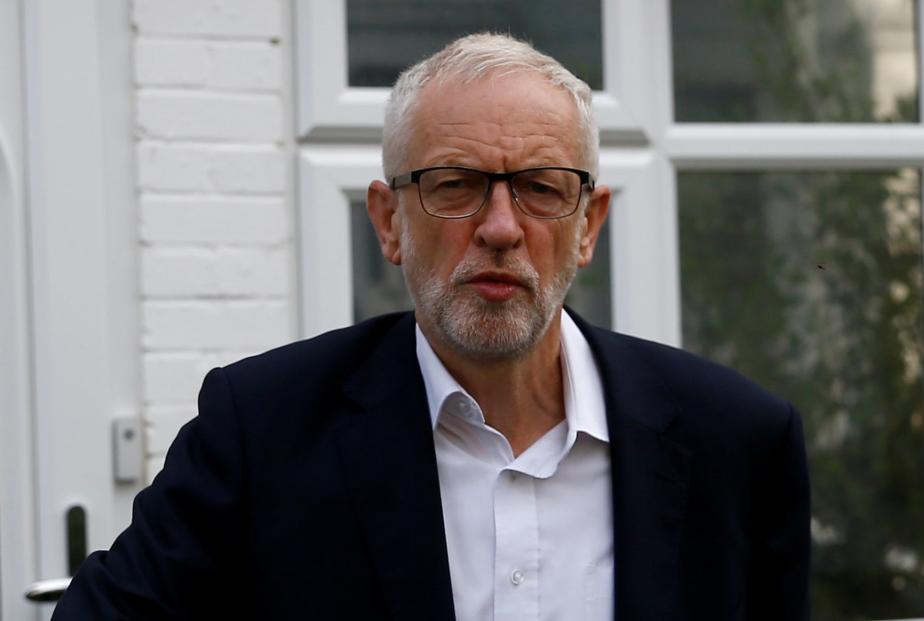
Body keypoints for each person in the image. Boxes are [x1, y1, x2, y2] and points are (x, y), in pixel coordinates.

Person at [53, 33, 810, 620]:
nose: (502, 228)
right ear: (389, 221)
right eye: (456, 186)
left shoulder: (736, 442)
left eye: (543, 189)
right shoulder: (262, 430)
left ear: (589, 223)